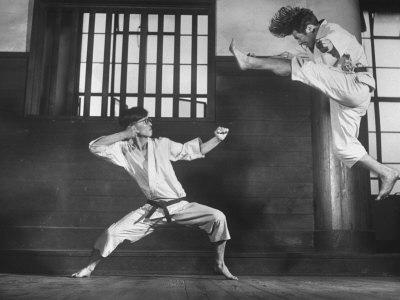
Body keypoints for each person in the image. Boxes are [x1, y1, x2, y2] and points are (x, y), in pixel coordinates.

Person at [229, 6, 399, 201]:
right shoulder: (310, 46)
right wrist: (260, 58)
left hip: (355, 84)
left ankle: (248, 63)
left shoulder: (332, 33)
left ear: (310, 28)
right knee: (343, 148)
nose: (298, 41)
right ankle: (386, 172)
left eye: (298, 36)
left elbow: (332, 55)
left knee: (302, 67)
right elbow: (289, 61)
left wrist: (329, 49)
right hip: (344, 96)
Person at [71, 107, 237, 280]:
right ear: (133, 126)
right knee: (112, 233)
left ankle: (219, 264)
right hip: (153, 210)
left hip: (179, 206)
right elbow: (95, 146)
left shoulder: (161, 144)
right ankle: (88, 268)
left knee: (218, 217)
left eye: (149, 120)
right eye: (145, 121)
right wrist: (124, 134)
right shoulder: (123, 149)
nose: (151, 124)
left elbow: (194, 151)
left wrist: (217, 139)